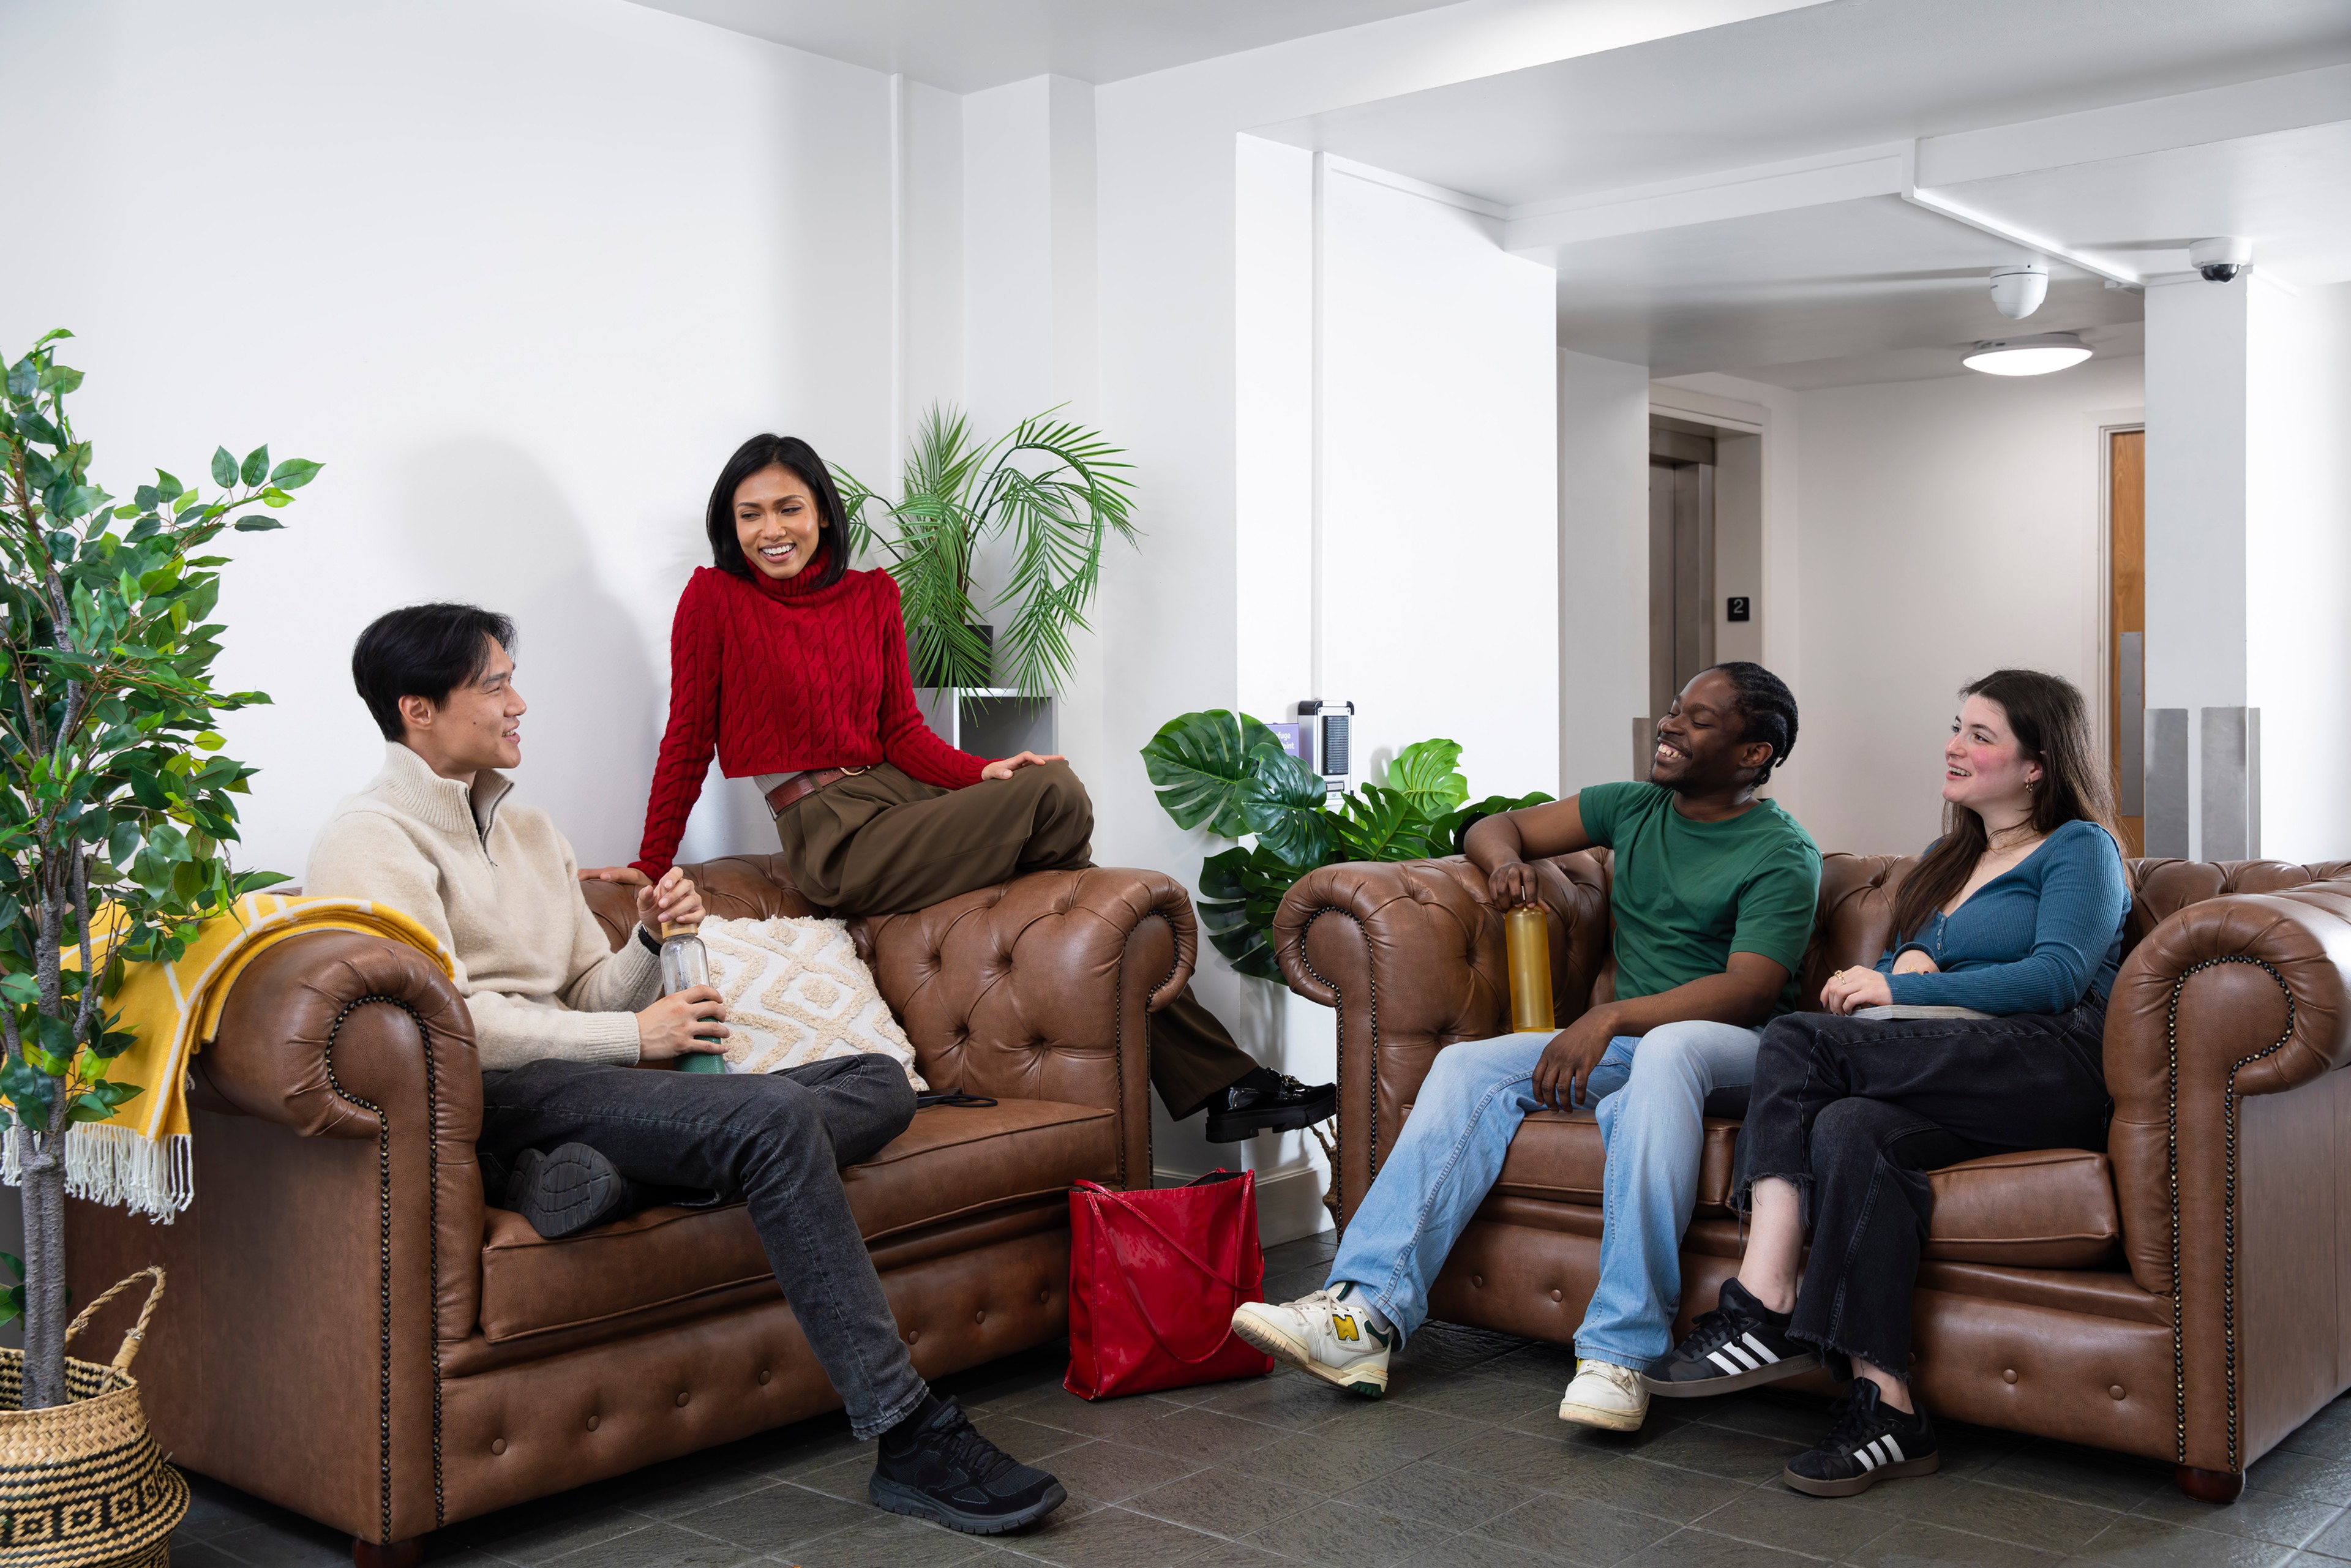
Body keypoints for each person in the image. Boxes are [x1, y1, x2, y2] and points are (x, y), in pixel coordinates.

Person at [308, 603, 1067, 1536]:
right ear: (416, 708)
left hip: (588, 1087)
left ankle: (613, 1181)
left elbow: (589, 991)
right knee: (775, 1122)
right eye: (496, 683)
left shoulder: (533, 832)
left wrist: (650, 942)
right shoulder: (370, 839)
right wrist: (641, 1040)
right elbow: (445, 1022)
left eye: (513, 677)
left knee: (876, 1078)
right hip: (500, 1094)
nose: (521, 702)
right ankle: (909, 1430)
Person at [616, 433, 1331, 1142]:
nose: (771, 530)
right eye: (750, 514)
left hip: (903, 796)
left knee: (1068, 846)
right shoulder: (715, 599)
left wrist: (977, 771)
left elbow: (901, 732)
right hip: (832, 829)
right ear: (729, 524)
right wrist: (652, 865)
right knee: (1059, 801)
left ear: (823, 514)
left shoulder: (872, 595)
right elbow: (685, 739)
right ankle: (1226, 1081)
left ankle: (1227, 1085)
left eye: (788, 508)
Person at [1230, 663, 1821, 1430]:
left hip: (1736, 1050)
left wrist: (1608, 1018)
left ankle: (1621, 1351)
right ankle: (1364, 1314)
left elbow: (1748, 987)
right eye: (1673, 709)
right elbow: (1490, 824)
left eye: (1699, 720)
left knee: (1670, 1054)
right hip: (1638, 1047)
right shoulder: (1634, 807)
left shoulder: (1781, 851)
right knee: (1470, 1062)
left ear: (1753, 754)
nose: (1670, 726)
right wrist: (1506, 863)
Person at [1644, 669, 2126, 1501]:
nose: (1955, 745)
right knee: (1851, 1128)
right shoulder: (1950, 858)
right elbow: (1915, 971)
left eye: (1982, 734)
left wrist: (1898, 988)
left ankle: (1763, 1299)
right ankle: (1887, 1406)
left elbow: (2056, 977)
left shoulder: (2081, 847)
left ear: (2039, 763)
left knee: (1796, 1043)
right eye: (1955, 727)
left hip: (2050, 1064)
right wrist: (1889, 968)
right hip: (1954, 1073)